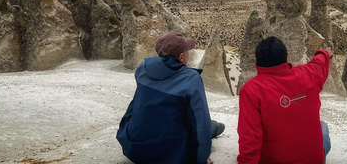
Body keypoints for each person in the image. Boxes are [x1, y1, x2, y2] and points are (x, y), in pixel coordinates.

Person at [117, 31, 225, 164]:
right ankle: (215, 127)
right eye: (187, 52)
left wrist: (125, 132)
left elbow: (134, 107)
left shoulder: (143, 69)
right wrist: (201, 159)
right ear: (181, 57)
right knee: (209, 127)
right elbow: (200, 124)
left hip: (133, 149)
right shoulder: (190, 79)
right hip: (170, 156)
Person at [237, 36, 332, 164]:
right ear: (286, 59)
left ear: (256, 63)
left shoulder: (252, 89)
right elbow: (318, 63)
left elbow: (249, 138)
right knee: (323, 126)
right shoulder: (308, 74)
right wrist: (324, 53)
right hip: (314, 160)